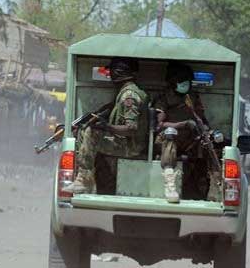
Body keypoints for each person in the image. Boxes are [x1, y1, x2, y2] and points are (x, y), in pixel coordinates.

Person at [62, 58, 149, 195]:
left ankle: (83, 180)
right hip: (124, 142)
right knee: (87, 129)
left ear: (118, 72)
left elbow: (131, 129)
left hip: (131, 146)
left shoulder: (129, 96)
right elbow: (113, 110)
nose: (110, 75)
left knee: (91, 133)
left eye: (112, 72)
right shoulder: (125, 92)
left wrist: (107, 127)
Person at [153, 62, 211, 203]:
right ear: (173, 82)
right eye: (181, 81)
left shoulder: (192, 98)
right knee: (170, 135)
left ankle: (209, 188)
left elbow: (202, 119)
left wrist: (206, 130)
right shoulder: (164, 98)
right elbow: (159, 125)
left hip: (190, 141)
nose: (185, 84)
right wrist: (183, 124)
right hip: (168, 141)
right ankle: (170, 184)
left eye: (188, 81)